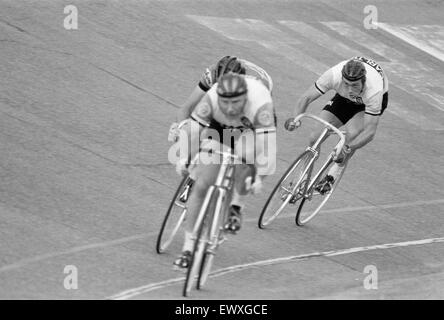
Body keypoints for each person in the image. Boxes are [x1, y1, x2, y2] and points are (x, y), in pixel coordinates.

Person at [173, 72, 276, 269]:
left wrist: (258, 178)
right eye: (225, 102)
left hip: (250, 128)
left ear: (245, 98)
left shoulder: (261, 104)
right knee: (202, 185)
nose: (230, 107)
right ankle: (188, 248)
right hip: (221, 126)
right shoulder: (211, 98)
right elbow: (193, 131)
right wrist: (184, 158)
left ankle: (236, 207)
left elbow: (266, 148)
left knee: (245, 158)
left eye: (235, 102)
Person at [168, 56, 274, 212]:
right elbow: (186, 108)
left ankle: (235, 207)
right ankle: (193, 176)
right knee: (200, 133)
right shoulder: (211, 77)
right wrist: (182, 128)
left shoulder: (259, 88)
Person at [285, 56, 389, 193]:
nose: (351, 89)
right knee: (315, 137)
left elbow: (369, 133)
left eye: (355, 85)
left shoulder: (374, 91)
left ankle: (332, 175)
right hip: (343, 99)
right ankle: (302, 178)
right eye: (346, 84)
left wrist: (348, 147)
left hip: (364, 105)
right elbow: (306, 97)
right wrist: (295, 118)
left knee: (353, 134)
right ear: (342, 78)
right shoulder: (333, 75)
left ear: (364, 81)